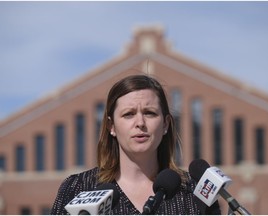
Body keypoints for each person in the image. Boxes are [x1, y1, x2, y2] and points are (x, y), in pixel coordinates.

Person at [50, 74, 221, 215]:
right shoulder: (78, 188)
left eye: (150, 113)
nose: (140, 122)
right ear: (111, 126)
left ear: (165, 124)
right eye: (128, 114)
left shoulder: (194, 190)